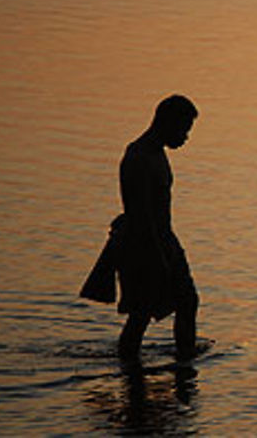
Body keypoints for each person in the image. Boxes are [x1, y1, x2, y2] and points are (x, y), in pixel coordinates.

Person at [81, 95, 200, 362]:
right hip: (144, 246)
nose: (185, 137)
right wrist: (159, 258)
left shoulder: (156, 154)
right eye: (183, 129)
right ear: (167, 122)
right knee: (142, 312)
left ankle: (184, 359)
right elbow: (141, 215)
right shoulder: (139, 157)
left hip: (165, 240)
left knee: (186, 301)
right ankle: (138, 367)